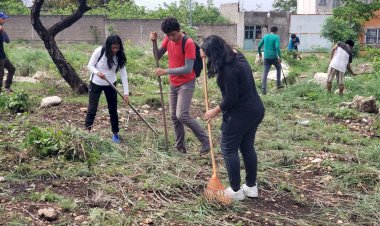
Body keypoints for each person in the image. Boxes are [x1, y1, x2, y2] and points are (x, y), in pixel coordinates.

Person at [201, 35, 265, 201]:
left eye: (209, 55)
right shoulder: (237, 56)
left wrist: (213, 112)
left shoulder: (228, 71)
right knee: (247, 147)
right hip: (255, 110)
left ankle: (235, 190)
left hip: (240, 114)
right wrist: (204, 53)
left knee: (228, 149)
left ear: (215, 54)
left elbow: (231, 99)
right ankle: (251, 187)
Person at [150, 17, 210, 155]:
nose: (172, 38)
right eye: (168, 35)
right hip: (174, 83)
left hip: (186, 83)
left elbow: (188, 69)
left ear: (179, 30)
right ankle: (180, 147)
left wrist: (166, 71)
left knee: (182, 115)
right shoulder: (168, 39)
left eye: (174, 34)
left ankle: (206, 141)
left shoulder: (187, 42)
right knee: (174, 116)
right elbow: (157, 56)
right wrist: (153, 42)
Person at [85, 35, 129, 143]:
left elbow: (123, 74)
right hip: (96, 83)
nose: (115, 50)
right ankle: (86, 133)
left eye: (117, 48)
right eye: (113, 48)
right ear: (108, 46)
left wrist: (126, 93)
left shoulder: (120, 56)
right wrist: (97, 72)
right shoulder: (99, 51)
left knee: (113, 109)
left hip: (111, 84)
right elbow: (90, 65)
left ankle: (115, 134)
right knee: (92, 109)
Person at [258, 26, 282, 95]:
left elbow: (259, 46)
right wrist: (280, 57)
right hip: (274, 58)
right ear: (276, 31)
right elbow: (277, 47)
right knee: (278, 68)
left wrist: (260, 54)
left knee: (265, 73)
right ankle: (278, 84)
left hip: (266, 58)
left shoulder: (265, 37)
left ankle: (263, 90)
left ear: (270, 31)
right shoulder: (276, 37)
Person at [0, 12, 16, 94]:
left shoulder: (1, 28)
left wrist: (2, 30)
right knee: (0, 74)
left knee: (12, 69)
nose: (5, 19)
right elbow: (7, 40)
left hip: (3, 55)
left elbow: (7, 40)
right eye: (3, 18)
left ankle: (7, 87)